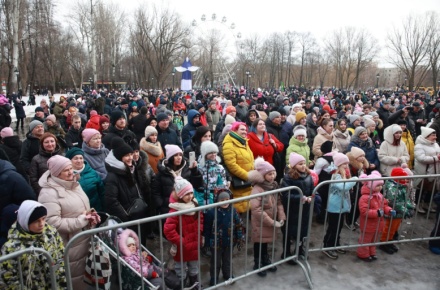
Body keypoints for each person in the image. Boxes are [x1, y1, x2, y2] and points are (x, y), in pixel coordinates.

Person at [38, 155, 99, 289]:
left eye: (71, 168)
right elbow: (52, 222)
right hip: (69, 245)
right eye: (66, 170)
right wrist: (81, 220)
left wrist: (90, 214)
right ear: (56, 173)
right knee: (76, 279)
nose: (71, 172)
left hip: (83, 238)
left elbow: (79, 208)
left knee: (86, 275)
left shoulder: (74, 184)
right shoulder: (48, 193)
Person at [0, 200, 67, 289]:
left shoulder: (51, 232)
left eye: (43, 218)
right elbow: (7, 276)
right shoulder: (11, 247)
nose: (42, 224)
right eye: (36, 221)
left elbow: (61, 256)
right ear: (25, 221)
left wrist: (62, 282)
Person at [164, 177, 203, 288]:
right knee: (180, 267)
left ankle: (194, 283)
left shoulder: (194, 204)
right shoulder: (175, 210)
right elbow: (168, 229)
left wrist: (199, 230)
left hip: (194, 242)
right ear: (180, 195)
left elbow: (200, 218)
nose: (190, 196)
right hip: (182, 246)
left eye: (191, 193)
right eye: (187, 194)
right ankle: (181, 284)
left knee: (194, 266)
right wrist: (181, 240)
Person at [249, 157, 286, 277]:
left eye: (273, 173)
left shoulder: (273, 185)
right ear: (263, 175)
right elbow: (256, 209)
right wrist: (271, 222)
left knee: (266, 242)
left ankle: (265, 260)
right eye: (269, 174)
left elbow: (279, 201)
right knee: (259, 243)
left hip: (270, 220)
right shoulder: (257, 189)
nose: (272, 176)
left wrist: (281, 216)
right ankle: (257, 263)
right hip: (261, 222)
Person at [104, 137, 150, 224]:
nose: (130, 158)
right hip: (127, 219)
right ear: (119, 158)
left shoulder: (132, 169)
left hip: (137, 213)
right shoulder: (112, 176)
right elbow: (111, 200)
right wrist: (126, 216)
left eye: (130, 154)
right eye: (126, 156)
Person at [204, 190, 244, 286]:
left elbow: (239, 225)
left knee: (227, 260)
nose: (225, 202)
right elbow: (207, 228)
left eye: (227, 199)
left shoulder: (233, 211)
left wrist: (240, 238)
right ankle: (214, 277)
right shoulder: (211, 212)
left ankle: (227, 274)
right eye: (222, 200)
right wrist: (207, 242)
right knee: (215, 262)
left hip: (230, 242)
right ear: (217, 201)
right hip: (216, 244)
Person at [322, 153, 358, 259]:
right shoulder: (335, 175)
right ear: (338, 165)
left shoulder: (343, 175)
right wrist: (354, 179)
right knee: (333, 228)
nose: (347, 166)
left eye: (347, 163)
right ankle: (327, 246)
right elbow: (343, 187)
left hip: (341, 206)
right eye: (344, 164)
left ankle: (335, 244)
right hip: (334, 206)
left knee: (339, 227)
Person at [280, 153, 314, 265]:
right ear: (294, 166)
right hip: (292, 210)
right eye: (300, 164)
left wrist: (313, 196)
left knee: (302, 231)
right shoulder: (288, 178)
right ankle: (286, 252)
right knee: (289, 231)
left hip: (305, 209)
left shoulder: (309, 176)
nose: (303, 166)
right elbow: (285, 194)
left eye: (304, 163)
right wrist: (301, 198)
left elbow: (313, 190)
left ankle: (299, 250)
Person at [152, 144, 203, 215]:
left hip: (186, 208)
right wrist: (162, 205)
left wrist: (194, 171)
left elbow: (198, 185)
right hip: (169, 210)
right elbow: (155, 192)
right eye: (176, 155)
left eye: (180, 155)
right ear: (170, 157)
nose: (179, 158)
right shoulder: (162, 173)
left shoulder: (187, 169)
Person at [357, 171, 395, 262]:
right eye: (377, 185)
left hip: (378, 224)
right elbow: (364, 211)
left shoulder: (379, 195)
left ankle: (372, 252)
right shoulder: (365, 197)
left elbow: (384, 205)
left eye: (381, 185)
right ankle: (363, 254)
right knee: (366, 240)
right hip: (368, 224)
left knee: (374, 240)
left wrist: (389, 210)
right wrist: (376, 213)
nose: (380, 187)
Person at [379, 165, 415, 255]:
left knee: (394, 228)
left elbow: (405, 200)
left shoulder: (402, 187)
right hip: (393, 212)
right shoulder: (392, 188)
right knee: (389, 228)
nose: (406, 180)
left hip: (399, 213)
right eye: (404, 178)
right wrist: (406, 210)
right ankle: (383, 242)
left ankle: (389, 241)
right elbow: (396, 203)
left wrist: (410, 207)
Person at [222, 122, 255, 214]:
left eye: (245, 130)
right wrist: (247, 176)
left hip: (248, 183)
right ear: (235, 130)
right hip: (240, 183)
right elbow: (232, 165)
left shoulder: (244, 142)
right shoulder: (229, 144)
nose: (245, 132)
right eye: (242, 129)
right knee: (239, 212)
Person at [66, 147, 105, 212]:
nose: (79, 161)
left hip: (96, 210)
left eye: (81, 158)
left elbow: (102, 193)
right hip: (78, 213)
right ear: (69, 160)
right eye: (75, 158)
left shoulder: (93, 173)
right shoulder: (67, 176)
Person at [413, 127, 440, 214]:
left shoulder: (435, 144)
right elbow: (421, 158)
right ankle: (418, 204)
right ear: (427, 136)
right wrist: (436, 158)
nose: (435, 137)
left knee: (432, 189)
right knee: (421, 188)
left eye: (435, 135)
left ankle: (427, 204)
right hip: (423, 171)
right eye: (433, 135)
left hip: (434, 170)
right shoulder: (419, 146)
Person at [196, 141, 228, 206]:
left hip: (213, 199)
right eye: (210, 153)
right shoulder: (198, 167)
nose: (213, 154)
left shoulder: (219, 167)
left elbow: (223, 184)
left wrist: (214, 190)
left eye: (215, 152)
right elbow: (196, 185)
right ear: (205, 153)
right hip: (200, 199)